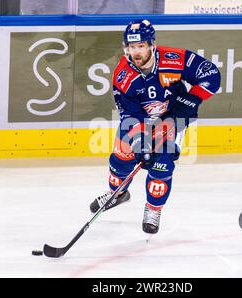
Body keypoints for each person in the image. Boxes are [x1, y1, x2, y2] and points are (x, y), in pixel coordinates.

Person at [89, 19, 221, 234]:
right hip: (140, 121)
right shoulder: (123, 76)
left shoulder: (174, 59)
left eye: (141, 46)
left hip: (172, 118)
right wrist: (142, 144)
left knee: (162, 167)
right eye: (132, 47)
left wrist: (191, 100)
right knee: (121, 157)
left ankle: (153, 209)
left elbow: (211, 74)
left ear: (152, 44)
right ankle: (118, 194)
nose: (136, 52)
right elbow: (130, 116)